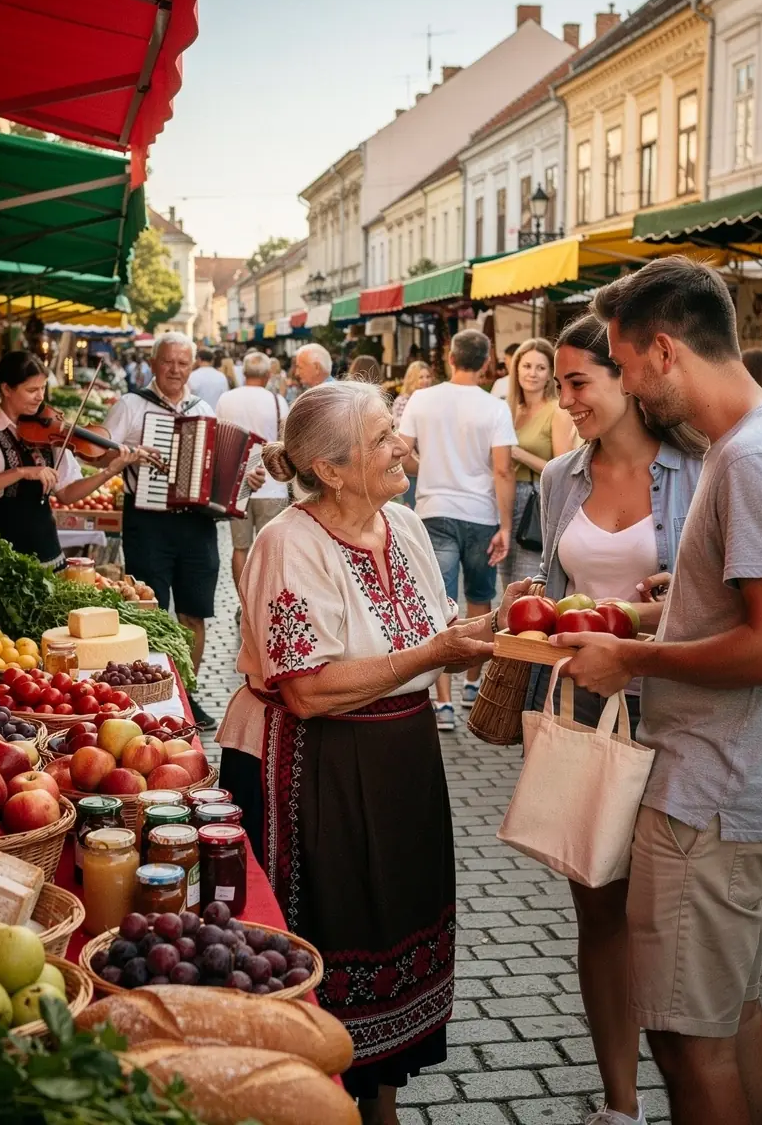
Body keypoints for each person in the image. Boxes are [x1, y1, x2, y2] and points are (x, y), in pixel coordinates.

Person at [220, 379, 494, 1122]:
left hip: (401, 761)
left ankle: (382, 1102)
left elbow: (432, 644)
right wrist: (434, 650)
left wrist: (493, 637)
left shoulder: (403, 525)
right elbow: (307, 689)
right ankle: (312, 1099)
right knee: (332, 933)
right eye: (380, 438)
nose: (400, 444)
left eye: (393, 430)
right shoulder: (287, 541)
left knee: (398, 915)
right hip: (311, 769)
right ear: (331, 469)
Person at [552, 256, 762, 1125]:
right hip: (725, 784)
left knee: (686, 1042)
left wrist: (633, 662)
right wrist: (667, 607)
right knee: (734, 1015)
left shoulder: (746, 461)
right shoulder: (742, 445)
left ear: (665, 352)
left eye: (626, 364)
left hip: (708, 793)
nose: (629, 389)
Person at [496, 313, 704, 1125]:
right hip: (583, 708)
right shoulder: (560, 479)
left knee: (675, 924)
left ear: (627, 378)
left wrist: (640, 626)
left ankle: (699, 1086)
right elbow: (554, 590)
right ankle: (621, 1105)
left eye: (581, 381)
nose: (565, 398)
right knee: (600, 907)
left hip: (682, 711)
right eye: (565, 382)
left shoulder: (701, 468)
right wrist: (529, 608)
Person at [104, 332, 225, 728]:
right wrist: (128, 456)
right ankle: (149, 697)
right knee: (150, 612)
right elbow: (102, 453)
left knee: (194, 615)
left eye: (183, 363)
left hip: (196, 525)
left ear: (192, 367)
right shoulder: (132, 404)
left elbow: (217, 470)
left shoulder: (204, 408)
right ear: (154, 364)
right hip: (148, 522)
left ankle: (186, 694)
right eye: (168, 362)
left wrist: (243, 483)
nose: (175, 370)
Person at [398, 329, 517, 729]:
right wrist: (506, 524)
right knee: (480, 598)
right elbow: (502, 469)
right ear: (486, 363)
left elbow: (399, 451)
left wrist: (426, 465)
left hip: (434, 511)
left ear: (449, 358)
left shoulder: (422, 398)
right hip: (481, 513)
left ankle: (442, 702)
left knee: (440, 604)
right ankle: (472, 682)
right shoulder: (495, 407)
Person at [0, 351, 145, 568]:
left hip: (44, 551)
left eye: (43, 388)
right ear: (6, 389)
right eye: (32, 390)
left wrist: (109, 471)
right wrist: (22, 472)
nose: (40, 397)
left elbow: (67, 493)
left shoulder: (48, 429)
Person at [499, 338, 578, 587]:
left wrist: (517, 453)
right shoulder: (508, 410)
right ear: (517, 370)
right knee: (505, 580)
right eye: (527, 366)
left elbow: (562, 468)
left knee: (525, 582)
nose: (532, 373)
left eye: (541, 368)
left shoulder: (557, 411)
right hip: (503, 500)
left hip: (534, 499)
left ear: (550, 376)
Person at [216, 349, 289, 591]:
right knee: (270, 550)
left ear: (244, 372)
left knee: (240, 547)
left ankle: (244, 605)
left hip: (237, 486)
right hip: (272, 486)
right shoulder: (278, 401)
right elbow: (285, 441)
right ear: (269, 374)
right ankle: (265, 604)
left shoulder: (226, 399)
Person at [392, 361, 433, 511]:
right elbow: (401, 435)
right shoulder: (403, 402)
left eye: (428, 376)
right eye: (420, 377)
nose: (425, 380)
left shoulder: (432, 400)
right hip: (412, 463)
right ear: (411, 379)